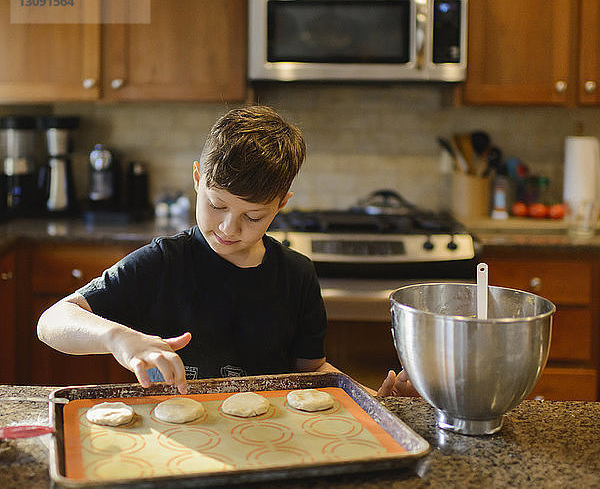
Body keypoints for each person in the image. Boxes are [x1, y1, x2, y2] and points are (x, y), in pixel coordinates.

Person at [37, 105, 411, 397]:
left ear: (281, 203)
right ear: (198, 178)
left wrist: (372, 397)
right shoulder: (164, 263)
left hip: (271, 441)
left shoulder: (296, 275)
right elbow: (52, 322)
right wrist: (117, 338)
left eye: (253, 216)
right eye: (217, 205)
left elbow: (312, 372)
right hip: (178, 439)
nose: (229, 228)